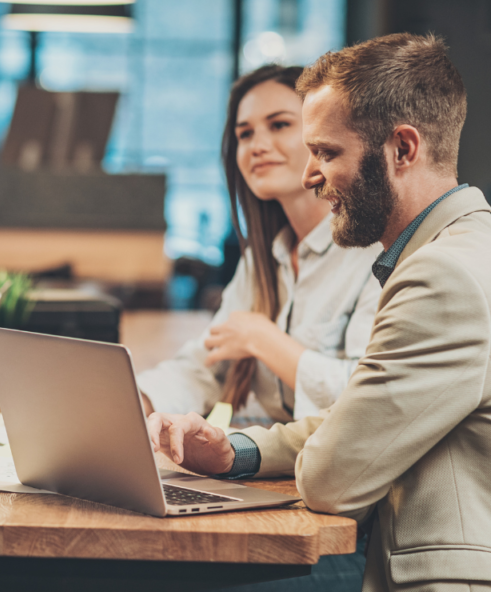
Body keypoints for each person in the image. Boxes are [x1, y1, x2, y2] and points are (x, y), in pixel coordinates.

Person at [147, 34, 491, 591]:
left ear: (403, 149)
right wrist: (237, 451)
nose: (311, 176)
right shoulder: (447, 252)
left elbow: (334, 475)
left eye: (327, 153)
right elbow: (360, 417)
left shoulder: (441, 275)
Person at [137, 65, 381, 423]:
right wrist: (133, 402)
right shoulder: (263, 259)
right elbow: (206, 367)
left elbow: (371, 402)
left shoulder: (375, 254)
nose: (257, 146)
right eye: (245, 133)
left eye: (279, 125)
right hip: (272, 468)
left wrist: (264, 340)